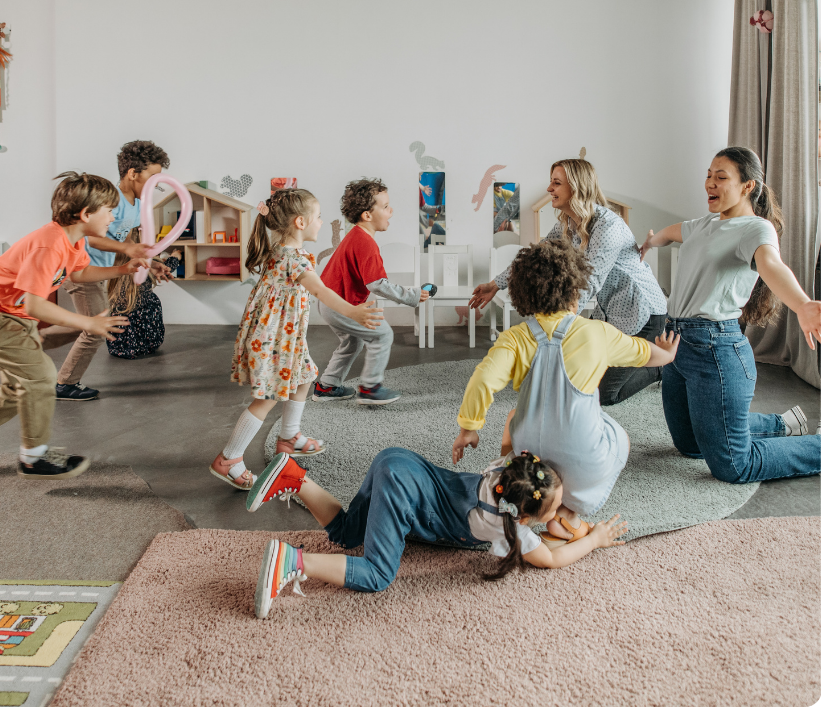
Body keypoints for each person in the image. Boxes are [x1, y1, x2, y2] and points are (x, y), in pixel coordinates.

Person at [454, 240, 680, 545]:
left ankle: (532, 496)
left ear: (522, 296)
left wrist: (469, 427)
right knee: (617, 434)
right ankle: (569, 514)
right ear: (575, 291)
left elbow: (482, 380)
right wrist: (666, 354)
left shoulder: (515, 338)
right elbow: (645, 353)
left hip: (530, 462)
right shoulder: (596, 332)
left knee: (513, 417)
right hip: (583, 473)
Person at [246, 449, 628, 619]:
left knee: (348, 534)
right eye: (557, 506)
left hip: (396, 461)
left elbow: (512, 422)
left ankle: (294, 477)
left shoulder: (504, 470)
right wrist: (593, 539)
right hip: (403, 490)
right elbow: (554, 558)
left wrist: (554, 513)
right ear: (523, 519)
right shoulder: (507, 528)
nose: (563, 511)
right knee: (378, 575)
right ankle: (292, 561)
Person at [0, 172, 145, 479]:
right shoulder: (49, 244)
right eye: (109, 210)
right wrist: (89, 322)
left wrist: (123, 268)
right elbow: (35, 304)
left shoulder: (73, 241)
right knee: (41, 377)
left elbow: (78, 275)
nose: (113, 216)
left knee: (17, 388)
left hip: (12, 319)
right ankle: (33, 458)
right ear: (86, 214)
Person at [640, 147, 821, 483]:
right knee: (690, 445)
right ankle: (782, 424)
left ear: (747, 186)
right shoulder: (705, 223)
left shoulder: (754, 229)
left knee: (735, 466)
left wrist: (802, 305)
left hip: (714, 350)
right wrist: (652, 242)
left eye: (721, 177)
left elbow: (770, 265)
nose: (710, 183)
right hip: (676, 345)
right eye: (709, 175)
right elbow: (671, 232)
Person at [215, 189, 384, 490]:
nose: (322, 222)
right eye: (318, 217)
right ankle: (229, 458)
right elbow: (321, 292)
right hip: (276, 340)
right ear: (301, 222)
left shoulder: (281, 252)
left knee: (305, 377)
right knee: (266, 400)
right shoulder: (296, 261)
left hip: (285, 338)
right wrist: (353, 312)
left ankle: (289, 436)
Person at [469, 159, 668, 405]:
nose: (549, 189)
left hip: (642, 313)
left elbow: (590, 279)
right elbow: (536, 258)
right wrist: (495, 284)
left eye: (556, 183)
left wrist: (561, 323)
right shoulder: (568, 225)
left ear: (577, 187)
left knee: (603, 394)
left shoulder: (609, 226)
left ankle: (665, 369)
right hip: (610, 313)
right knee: (579, 380)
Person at [47, 140, 172, 401]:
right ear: (133, 174)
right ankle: (65, 383)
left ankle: (27, 344)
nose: (156, 184)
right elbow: (87, 236)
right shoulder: (109, 199)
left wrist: (152, 262)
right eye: (152, 177)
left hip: (97, 270)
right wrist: (127, 250)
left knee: (85, 324)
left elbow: (124, 239)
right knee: (96, 328)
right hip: (79, 268)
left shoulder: (137, 205)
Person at [313, 178, 430, 406]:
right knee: (382, 334)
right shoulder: (365, 242)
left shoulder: (357, 236)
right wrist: (412, 295)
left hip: (331, 302)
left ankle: (326, 386)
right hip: (340, 304)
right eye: (385, 207)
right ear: (367, 215)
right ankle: (370, 388)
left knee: (352, 343)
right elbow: (377, 283)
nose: (391, 211)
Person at [105, 229, 181, 360]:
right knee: (151, 302)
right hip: (147, 344)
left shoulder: (111, 264)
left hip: (117, 346)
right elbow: (169, 266)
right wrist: (177, 254)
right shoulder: (147, 262)